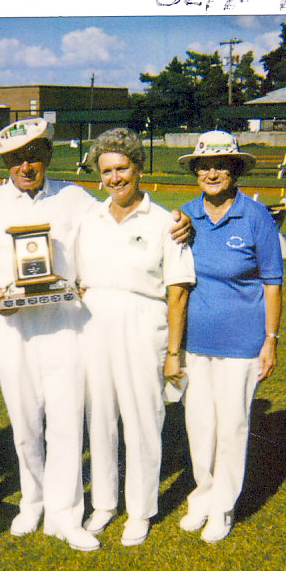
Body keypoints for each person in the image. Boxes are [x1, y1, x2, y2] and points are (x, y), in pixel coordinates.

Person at [0, 118, 190, 552]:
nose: (25, 166)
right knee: (25, 423)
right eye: (16, 158)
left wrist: (183, 221)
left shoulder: (75, 199)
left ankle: (66, 513)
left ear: (48, 155)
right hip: (14, 326)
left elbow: (129, 208)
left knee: (68, 423)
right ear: (5, 162)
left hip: (65, 325)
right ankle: (33, 502)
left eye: (34, 155)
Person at [78, 128, 195, 546]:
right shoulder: (89, 219)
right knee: (100, 419)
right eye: (107, 171)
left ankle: (141, 510)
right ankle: (104, 503)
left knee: (143, 420)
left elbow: (177, 292)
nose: (115, 178)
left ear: (138, 168)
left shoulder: (165, 222)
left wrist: (173, 352)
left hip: (143, 326)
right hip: (93, 325)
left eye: (122, 168)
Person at [177, 131, 283, 543]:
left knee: (232, 424)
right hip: (196, 342)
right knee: (199, 424)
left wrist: (270, 339)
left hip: (242, 344)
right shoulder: (184, 217)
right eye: (204, 166)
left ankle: (223, 506)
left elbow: (272, 282)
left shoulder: (256, 217)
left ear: (235, 170)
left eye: (221, 165)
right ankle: (202, 495)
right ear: (195, 171)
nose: (212, 173)